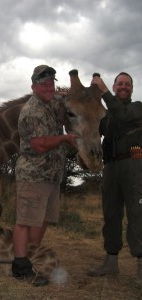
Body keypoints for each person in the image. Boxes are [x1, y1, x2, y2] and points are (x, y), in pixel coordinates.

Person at [11, 65, 79, 286]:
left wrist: (71, 94)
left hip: (51, 176)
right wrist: (64, 138)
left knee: (42, 220)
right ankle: (20, 267)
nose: (49, 88)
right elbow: (39, 145)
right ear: (33, 86)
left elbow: (65, 96)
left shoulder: (50, 101)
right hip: (33, 176)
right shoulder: (32, 111)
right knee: (25, 221)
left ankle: (31, 258)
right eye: (44, 84)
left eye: (51, 83)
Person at [87, 72, 142, 287]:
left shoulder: (137, 108)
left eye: (127, 84)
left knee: (137, 215)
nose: (124, 87)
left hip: (134, 164)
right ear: (114, 85)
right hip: (110, 167)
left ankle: (140, 268)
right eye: (120, 84)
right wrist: (78, 99)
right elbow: (91, 124)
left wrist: (103, 92)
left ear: (131, 88)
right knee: (111, 215)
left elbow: (123, 115)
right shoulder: (107, 113)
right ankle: (111, 262)